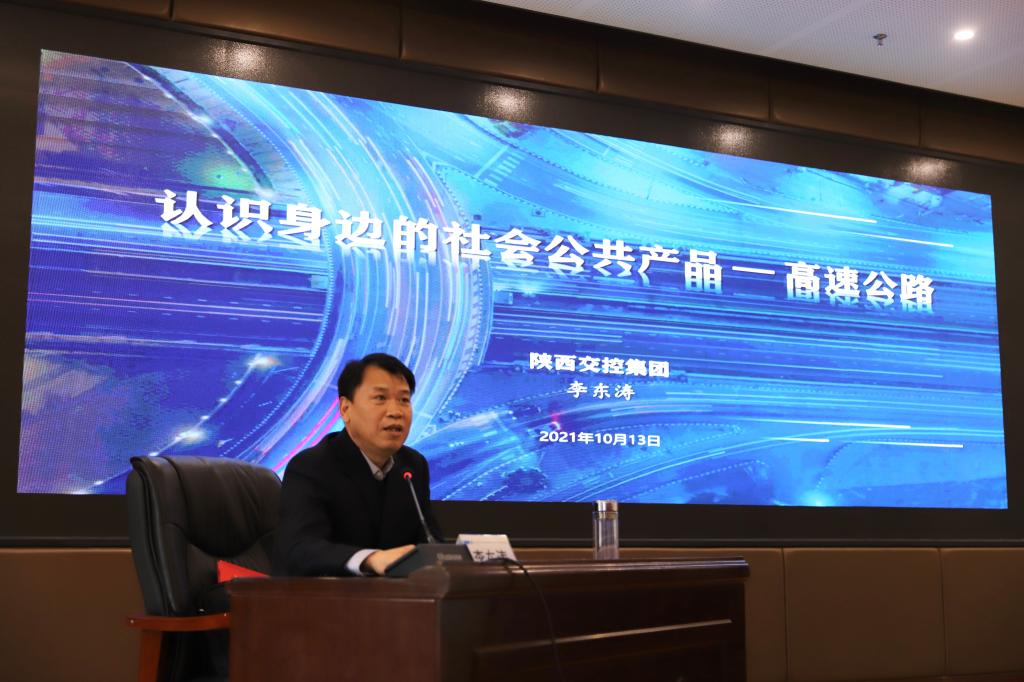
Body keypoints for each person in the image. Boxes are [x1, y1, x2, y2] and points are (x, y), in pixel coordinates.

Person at [272, 353, 442, 576]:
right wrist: (370, 559)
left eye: (404, 400)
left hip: (398, 595)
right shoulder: (311, 466)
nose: (396, 412)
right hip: (330, 594)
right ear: (345, 409)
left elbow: (429, 542)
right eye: (380, 398)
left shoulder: (412, 465)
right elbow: (300, 549)